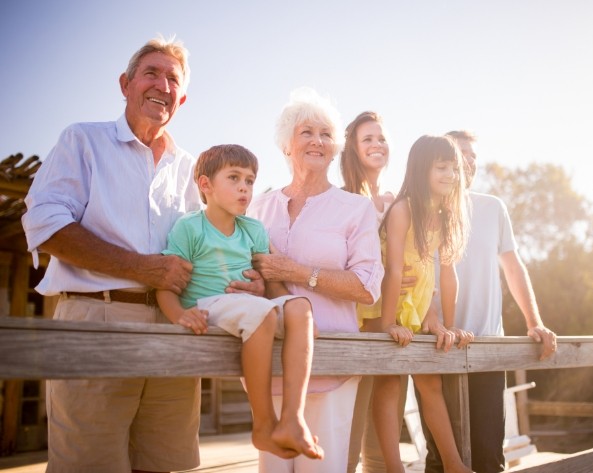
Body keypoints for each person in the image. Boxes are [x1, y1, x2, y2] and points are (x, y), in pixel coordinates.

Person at [21, 36, 263, 473]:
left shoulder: (194, 171)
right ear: (126, 83)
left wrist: (250, 282)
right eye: (151, 73)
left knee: (162, 463)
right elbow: (45, 225)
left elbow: (212, 248)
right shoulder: (83, 141)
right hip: (99, 322)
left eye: (173, 79)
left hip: (175, 328)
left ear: (181, 98)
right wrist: (141, 268)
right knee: (89, 465)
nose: (162, 85)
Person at [247, 87, 385, 473]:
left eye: (326, 134)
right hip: (269, 366)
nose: (317, 141)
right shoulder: (257, 207)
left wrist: (293, 272)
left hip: (331, 364)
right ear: (286, 144)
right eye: (307, 132)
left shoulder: (355, 209)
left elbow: (366, 287)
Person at [157, 143, 322, 461]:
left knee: (301, 306)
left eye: (249, 180)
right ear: (205, 185)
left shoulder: (254, 229)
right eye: (234, 178)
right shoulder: (190, 227)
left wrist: (296, 324)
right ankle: (263, 424)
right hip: (208, 305)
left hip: (249, 307)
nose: (244, 187)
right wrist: (179, 314)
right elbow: (166, 284)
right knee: (259, 314)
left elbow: (271, 289)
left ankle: (292, 418)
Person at [420, 130, 558, 473]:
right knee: (440, 459)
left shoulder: (493, 207)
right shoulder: (421, 210)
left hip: (487, 349)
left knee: (488, 458)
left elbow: (513, 267)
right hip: (435, 347)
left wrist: (534, 322)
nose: (467, 161)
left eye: (473, 155)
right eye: (458, 154)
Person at [364, 135, 475, 473]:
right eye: (442, 167)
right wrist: (387, 326)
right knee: (389, 382)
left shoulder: (441, 216)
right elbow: (394, 270)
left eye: (453, 168)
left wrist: (444, 323)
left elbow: (442, 276)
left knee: (431, 383)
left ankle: (455, 464)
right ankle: (394, 468)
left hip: (415, 309)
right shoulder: (402, 210)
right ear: (421, 169)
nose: (451, 175)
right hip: (383, 308)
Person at [341, 111, 406, 473]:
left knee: (387, 426)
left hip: (391, 316)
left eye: (381, 138)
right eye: (368, 139)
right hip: (354, 319)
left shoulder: (395, 200)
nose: (377, 144)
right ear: (353, 148)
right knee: (350, 422)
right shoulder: (343, 197)